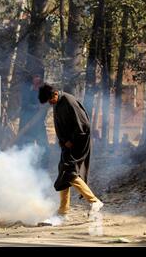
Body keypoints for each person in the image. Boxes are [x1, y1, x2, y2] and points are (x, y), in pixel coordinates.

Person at [38, 84, 103, 221]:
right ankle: (63, 211)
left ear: (55, 93)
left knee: (69, 173)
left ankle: (94, 201)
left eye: (50, 100)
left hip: (78, 143)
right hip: (67, 145)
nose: (50, 104)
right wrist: (64, 142)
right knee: (63, 172)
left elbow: (83, 125)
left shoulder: (69, 101)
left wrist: (72, 140)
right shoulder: (58, 103)